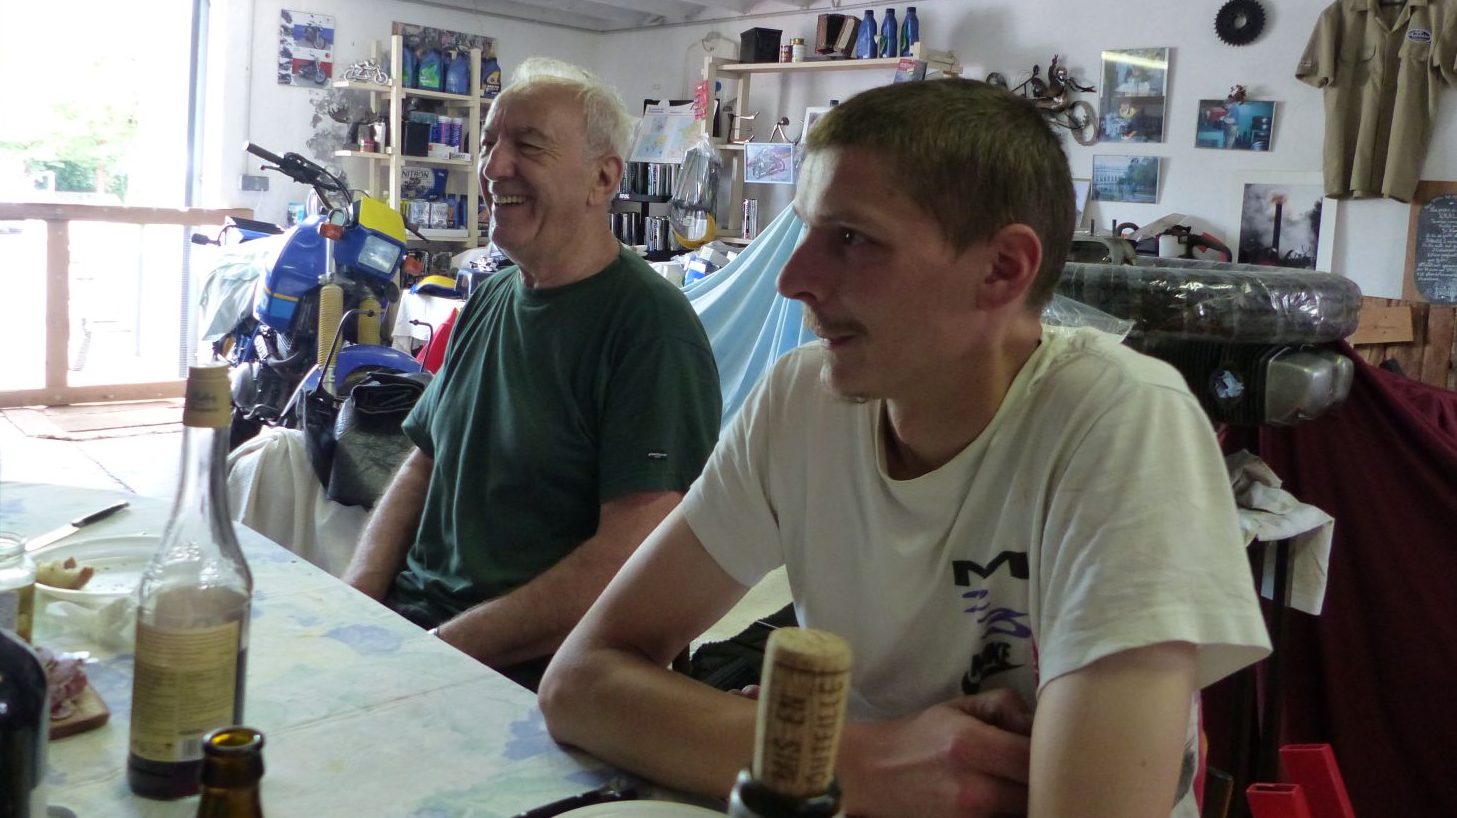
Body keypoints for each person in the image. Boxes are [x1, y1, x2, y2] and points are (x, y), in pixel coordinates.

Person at [540, 77, 1269, 816]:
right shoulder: (800, 401)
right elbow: (579, 681)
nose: (793, 280)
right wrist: (862, 760)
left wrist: (746, 743)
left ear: (1002, 268)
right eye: (807, 231)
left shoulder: (1123, 420)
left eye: (852, 239)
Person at [344, 59, 721, 690]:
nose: (493, 168)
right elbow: (425, 464)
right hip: (418, 638)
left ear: (603, 178)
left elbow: (631, 555)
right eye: (489, 142)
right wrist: (355, 605)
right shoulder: (490, 298)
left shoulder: (649, 328)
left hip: (523, 676)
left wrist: (434, 657)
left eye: (528, 145)